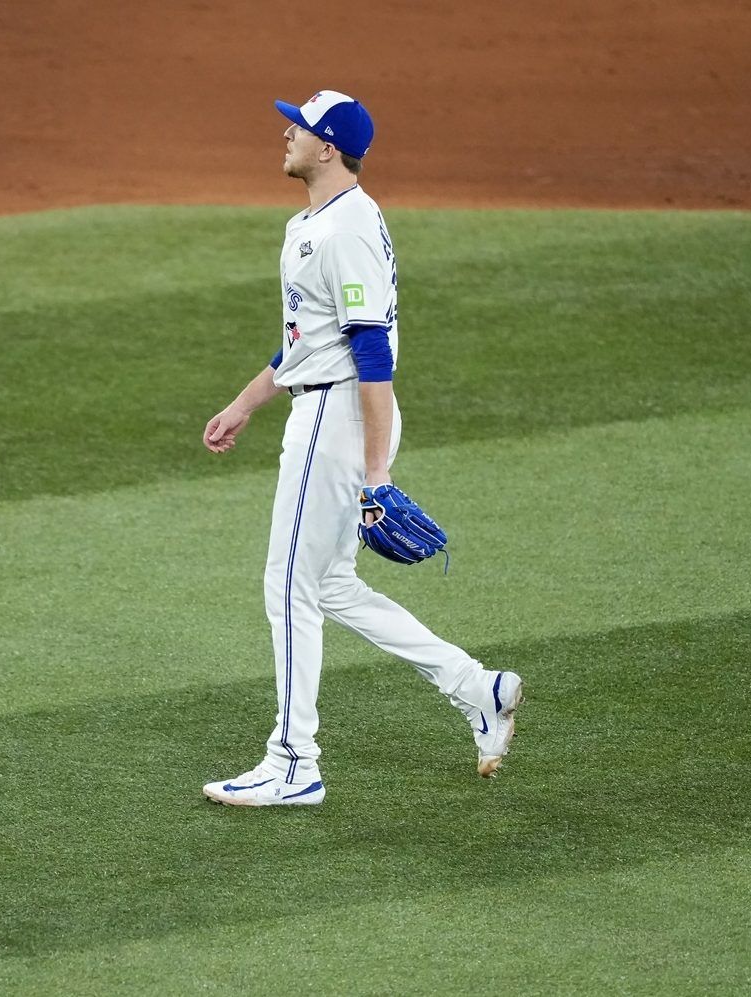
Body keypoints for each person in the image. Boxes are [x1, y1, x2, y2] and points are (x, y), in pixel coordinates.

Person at [200, 90, 523, 807]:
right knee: (330, 584)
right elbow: (304, 343)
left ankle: (293, 762)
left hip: (339, 419)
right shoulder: (312, 223)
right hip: (323, 409)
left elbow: (370, 353)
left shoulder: (345, 227)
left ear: (328, 147)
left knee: (287, 585)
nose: (286, 132)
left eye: (302, 127)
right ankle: (478, 689)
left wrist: (376, 471)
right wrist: (244, 404)